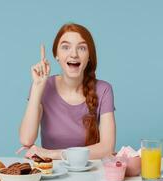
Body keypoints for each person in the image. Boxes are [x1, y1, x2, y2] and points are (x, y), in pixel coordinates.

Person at [19, 23, 116, 159]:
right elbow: (26, 139)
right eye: (66, 47)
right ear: (56, 55)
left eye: (81, 48)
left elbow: (107, 148)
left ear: (89, 57)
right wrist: (36, 88)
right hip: (51, 173)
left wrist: (52, 154)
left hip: (90, 173)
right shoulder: (43, 87)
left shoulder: (104, 90)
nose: (74, 54)